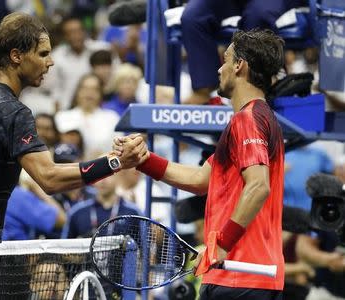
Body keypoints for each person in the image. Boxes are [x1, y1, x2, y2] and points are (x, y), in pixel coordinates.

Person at [0, 12, 148, 243]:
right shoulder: (14, 113)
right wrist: (115, 162)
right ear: (16, 56)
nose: (50, 62)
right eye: (42, 54)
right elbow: (49, 179)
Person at [115, 29, 286, 299]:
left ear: (240, 66)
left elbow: (258, 186)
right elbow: (200, 179)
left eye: (226, 60)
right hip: (251, 276)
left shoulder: (248, 119)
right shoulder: (259, 118)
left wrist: (222, 245)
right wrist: (143, 160)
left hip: (239, 275)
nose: (219, 69)